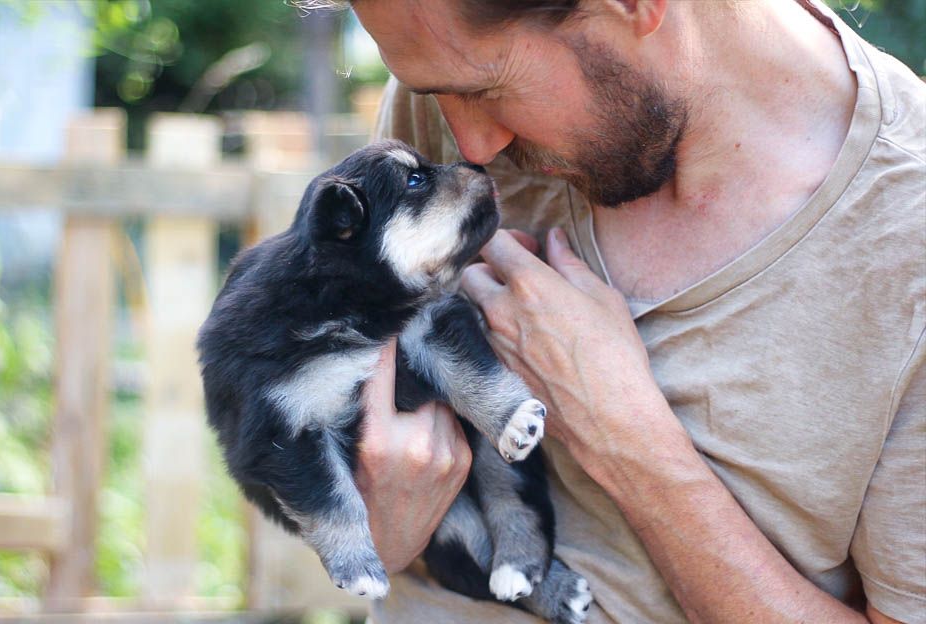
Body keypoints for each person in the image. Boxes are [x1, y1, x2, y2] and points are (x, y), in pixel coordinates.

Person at [305, 1, 926, 622]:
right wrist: (379, 529)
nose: (470, 147)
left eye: (490, 90)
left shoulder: (904, 235)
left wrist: (624, 436)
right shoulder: (449, 59)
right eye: (437, 93)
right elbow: (356, 472)